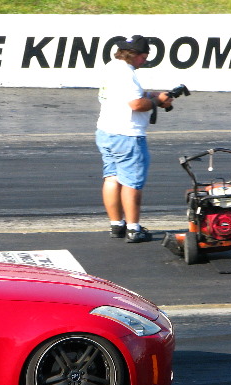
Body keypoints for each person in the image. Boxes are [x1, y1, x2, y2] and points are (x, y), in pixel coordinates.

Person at [96, 35, 173, 243]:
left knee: (112, 178)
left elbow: (125, 97)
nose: (144, 62)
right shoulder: (127, 74)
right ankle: (133, 228)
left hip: (106, 130)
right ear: (139, 55)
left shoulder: (111, 67)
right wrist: (157, 101)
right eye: (144, 58)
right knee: (132, 182)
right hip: (127, 134)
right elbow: (136, 105)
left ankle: (116, 225)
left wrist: (149, 94)